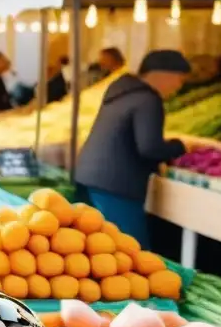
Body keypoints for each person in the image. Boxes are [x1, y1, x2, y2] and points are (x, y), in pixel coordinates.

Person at [76, 50, 190, 248]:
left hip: (91, 178)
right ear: (164, 74)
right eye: (179, 80)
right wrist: (180, 146)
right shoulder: (148, 100)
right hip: (117, 185)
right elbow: (150, 148)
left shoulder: (122, 92)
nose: (178, 87)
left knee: (100, 247)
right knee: (130, 251)